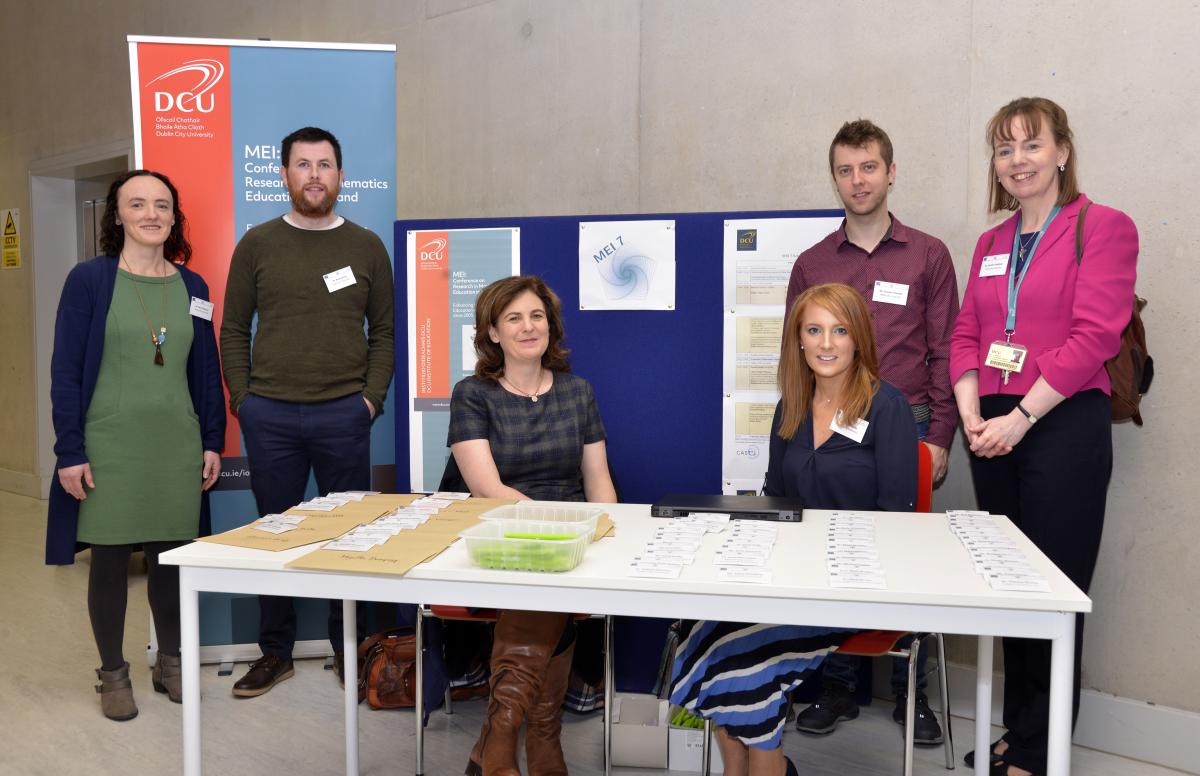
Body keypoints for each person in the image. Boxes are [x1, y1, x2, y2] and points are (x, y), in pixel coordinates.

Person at [950, 97, 1138, 776]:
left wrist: (1021, 416)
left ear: (1062, 150)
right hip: (993, 424)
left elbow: (1096, 336)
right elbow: (968, 333)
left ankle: (1041, 746)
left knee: (1054, 589)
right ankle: (1022, 727)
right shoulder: (991, 244)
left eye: (1032, 145)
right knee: (1010, 585)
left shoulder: (1103, 226)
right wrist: (972, 412)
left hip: (1059, 422)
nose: (1017, 161)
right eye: (1004, 149)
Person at [670, 283, 917, 776]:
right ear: (798, 341)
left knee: (742, 657)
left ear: (859, 339)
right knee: (700, 633)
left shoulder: (887, 407)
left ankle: (772, 768)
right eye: (814, 330)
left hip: (853, 582)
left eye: (839, 330)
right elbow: (774, 500)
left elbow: (898, 523)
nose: (827, 343)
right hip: (787, 576)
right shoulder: (792, 406)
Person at [786, 119, 958, 744]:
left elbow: (946, 351)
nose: (857, 181)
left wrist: (938, 437)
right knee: (826, 550)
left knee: (903, 555)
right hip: (828, 424)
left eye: (868, 167)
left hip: (902, 424)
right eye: (844, 170)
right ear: (834, 178)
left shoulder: (928, 254)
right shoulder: (812, 263)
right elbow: (796, 356)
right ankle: (835, 689)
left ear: (890, 172)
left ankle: (915, 695)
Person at [221, 126, 394, 697]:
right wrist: (244, 402)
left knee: (351, 536)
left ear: (340, 175)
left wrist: (368, 400)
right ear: (284, 174)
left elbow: (386, 333)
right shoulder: (258, 245)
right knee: (276, 536)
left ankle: (353, 648)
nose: (314, 175)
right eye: (303, 165)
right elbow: (233, 329)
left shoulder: (367, 245)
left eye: (324, 164)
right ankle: (277, 653)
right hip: (269, 416)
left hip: (344, 415)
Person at [48, 170, 225, 720]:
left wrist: (212, 440)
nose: (151, 213)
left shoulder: (193, 288)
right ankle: (112, 673)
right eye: (138, 204)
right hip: (109, 447)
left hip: (177, 444)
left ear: (174, 216)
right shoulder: (90, 281)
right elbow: (66, 371)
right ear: (118, 215)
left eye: (162, 205)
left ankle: (170, 661)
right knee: (108, 560)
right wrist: (70, 450)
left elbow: (205, 369)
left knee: (171, 560)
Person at [447, 275, 617, 776]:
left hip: (572, 541)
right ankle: (539, 742)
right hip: (498, 537)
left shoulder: (577, 391)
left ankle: (499, 738)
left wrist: (604, 530)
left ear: (551, 325)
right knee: (543, 588)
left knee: (548, 589)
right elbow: (487, 488)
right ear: (493, 333)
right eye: (514, 318)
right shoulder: (473, 394)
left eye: (537, 316)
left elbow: (599, 480)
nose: (528, 327)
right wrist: (559, 533)